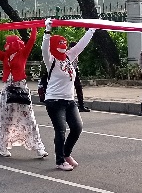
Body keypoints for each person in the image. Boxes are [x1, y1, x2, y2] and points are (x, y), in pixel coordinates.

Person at [41, 21, 96, 171]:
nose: (63, 46)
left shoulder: (68, 57)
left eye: (64, 43)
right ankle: (60, 161)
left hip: (69, 100)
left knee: (77, 127)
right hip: (54, 101)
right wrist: (47, 30)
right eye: (60, 44)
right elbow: (44, 49)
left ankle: (66, 153)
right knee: (60, 130)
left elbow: (80, 46)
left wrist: (91, 30)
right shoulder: (51, 60)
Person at [0, 25, 48, 159]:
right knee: (5, 119)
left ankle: (38, 147)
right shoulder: (5, 56)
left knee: (29, 119)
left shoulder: (22, 53)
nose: (5, 46)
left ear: (13, 44)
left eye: (7, 43)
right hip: (7, 91)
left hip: (20, 89)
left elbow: (31, 41)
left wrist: (34, 27)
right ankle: (2, 146)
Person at [70, 41, 90, 112]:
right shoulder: (70, 54)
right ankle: (72, 106)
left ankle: (81, 105)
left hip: (75, 73)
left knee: (79, 89)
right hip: (69, 74)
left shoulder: (76, 54)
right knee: (72, 89)